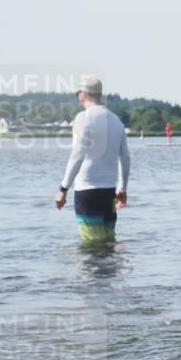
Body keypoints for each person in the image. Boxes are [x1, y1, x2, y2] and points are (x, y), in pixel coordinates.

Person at [54, 76, 130, 243]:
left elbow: (77, 154)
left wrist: (63, 188)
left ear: (84, 93)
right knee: (108, 242)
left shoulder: (83, 118)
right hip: (109, 191)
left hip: (87, 191)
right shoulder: (116, 120)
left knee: (91, 245)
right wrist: (122, 188)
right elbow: (125, 157)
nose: (78, 97)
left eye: (78, 93)